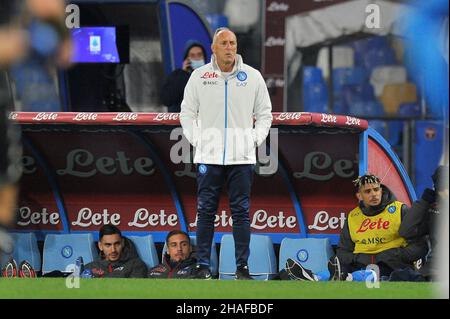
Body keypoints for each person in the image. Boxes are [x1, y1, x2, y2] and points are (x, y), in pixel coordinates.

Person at [180, 27, 273, 280]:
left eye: (233, 43)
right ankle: (202, 267)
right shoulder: (199, 76)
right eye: (224, 43)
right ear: (214, 48)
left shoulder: (252, 77)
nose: (230, 47)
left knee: (241, 212)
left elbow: (265, 114)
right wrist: (197, 140)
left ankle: (242, 268)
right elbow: (187, 112)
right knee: (206, 211)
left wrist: (253, 139)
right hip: (207, 157)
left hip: (241, 158)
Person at [279, 173, 429, 282]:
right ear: (359, 196)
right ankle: (313, 277)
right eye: (368, 191)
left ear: (381, 189)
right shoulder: (353, 216)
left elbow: (420, 246)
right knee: (341, 268)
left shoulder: (399, 210)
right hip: (360, 263)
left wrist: (396, 255)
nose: (374, 194)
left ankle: (340, 278)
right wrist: (358, 258)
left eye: (376, 189)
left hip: (392, 264)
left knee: (374, 271)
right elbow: (343, 251)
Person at [398, 165, 449, 280]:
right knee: (400, 277)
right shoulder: (432, 209)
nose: (446, 194)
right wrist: (423, 202)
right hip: (434, 268)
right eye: (442, 190)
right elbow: (406, 232)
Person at [83, 225, 147, 278]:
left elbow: (135, 291)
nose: (113, 250)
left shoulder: (136, 265)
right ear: (100, 246)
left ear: (122, 243)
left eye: (117, 244)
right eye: (108, 245)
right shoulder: (89, 268)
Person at [160, 42, 207, 112]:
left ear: (204, 57)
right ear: (187, 59)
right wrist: (184, 74)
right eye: (192, 56)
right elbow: (166, 100)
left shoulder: (212, 75)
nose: (197, 58)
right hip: (181, 120)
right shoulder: (177, 75)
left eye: (199, 55)